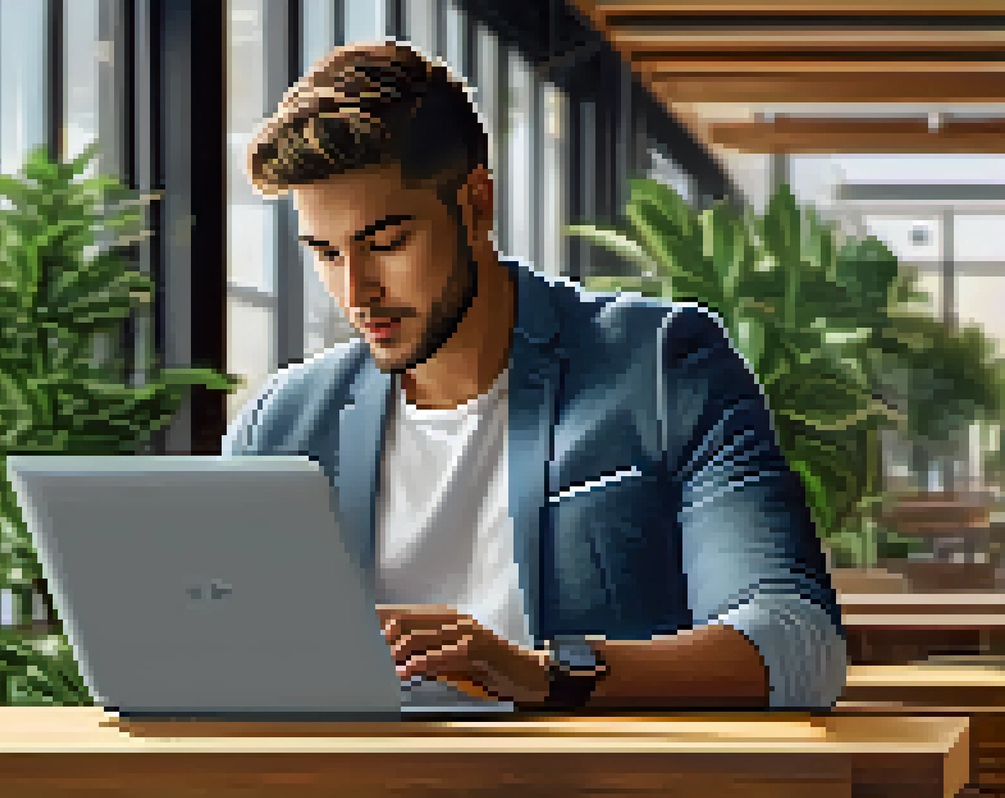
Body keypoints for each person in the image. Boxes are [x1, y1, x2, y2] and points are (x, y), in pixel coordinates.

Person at [223, 41, 846, 711]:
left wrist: (544, 674)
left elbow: (795, 644)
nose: (357, 291)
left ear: (476, 204)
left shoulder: (662, 366)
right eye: (325, 253)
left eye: (386, 243)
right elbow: (211, 651)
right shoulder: (283, 423)